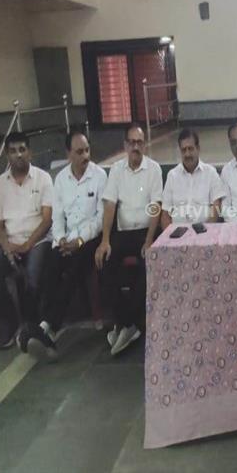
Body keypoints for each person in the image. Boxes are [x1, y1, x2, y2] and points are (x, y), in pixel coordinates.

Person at [19, 130, 107, 360]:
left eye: (87, 150)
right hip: (66, 239)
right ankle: (44, 327)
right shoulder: (60, 180)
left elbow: (100, 219)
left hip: (90, 239)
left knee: (73, 269)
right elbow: (57, 217)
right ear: (68, 154)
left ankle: (47, 327)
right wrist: (60, 241)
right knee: (50, 267)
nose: (85, 156)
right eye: (79, 152)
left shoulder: (99, 176)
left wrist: (79, 241)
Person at [95, 123, 162, 355]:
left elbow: (156, 207)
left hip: (145, 232)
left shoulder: (153, 169)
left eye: (139, 142)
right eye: (131, 142)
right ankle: (127, 323)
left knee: (149, 263)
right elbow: (110, 206)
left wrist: (149, 240)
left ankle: (126, 323)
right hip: (122, 234)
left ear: (144, 145)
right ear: (125, 145)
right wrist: (105, 240)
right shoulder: (116, 170)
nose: (135, 147)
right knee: (104, 261)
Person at [0, 132, 54, 351]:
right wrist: (7, 248)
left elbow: (47, 220)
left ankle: (31, 327)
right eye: (13, 151)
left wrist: (27, 245)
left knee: (33, 275)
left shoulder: (43, 178)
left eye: (22, 149)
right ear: (7, 155)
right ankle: (9, 322)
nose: (19, 155)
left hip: (38, 241)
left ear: (29, 152)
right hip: (11, 244)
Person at [161, 128, 226, 227]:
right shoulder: (172, 176)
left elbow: (216, 207)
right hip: (177, 233)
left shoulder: (210, 173)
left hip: (204, 232)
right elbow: (165, 214)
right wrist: (169, 235)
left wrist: (206, 231)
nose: (187, 154)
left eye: (190, 149)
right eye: (184, 150)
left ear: (198, 148)